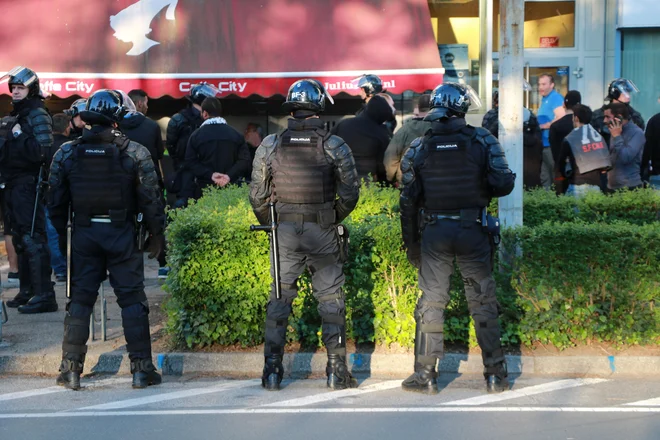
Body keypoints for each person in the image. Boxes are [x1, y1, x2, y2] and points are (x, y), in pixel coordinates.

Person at [398, 82, 515, 395]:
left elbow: (408, 201)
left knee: (432, 302)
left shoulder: (419, 147)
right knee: (482, 302)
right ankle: (494, 375)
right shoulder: (482, 139)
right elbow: (503, 183)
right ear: (462, 109)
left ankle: (425, 374)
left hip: (435, 233)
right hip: (473, 230)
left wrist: (412, 244)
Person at [48, 89, 166, 390]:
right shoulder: (134, 152)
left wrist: (64, 239)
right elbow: (152, 199)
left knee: (79, 300)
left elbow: (56, 204)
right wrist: (156, 236)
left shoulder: (67, 152)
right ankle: (141, 370)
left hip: (84, 234)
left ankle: (71, 369)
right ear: (117, 118)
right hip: (122, 235)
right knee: (132, 301)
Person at [250, 79, 360, 391]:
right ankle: (336, 372)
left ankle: (272, 372)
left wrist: (274, 223)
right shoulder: (334, 145)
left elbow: (257, 195)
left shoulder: (270, 144)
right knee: (331, 299)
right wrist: (330, 217)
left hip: (284, 232)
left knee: (280, 299)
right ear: (320, 106)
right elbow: (351, 192)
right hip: (323, 231)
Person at [0, 66, 58, 313]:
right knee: (21, 239)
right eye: (13, 87)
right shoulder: (18, 115)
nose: (15, 91)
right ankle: (27, 290)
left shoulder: (37, 113)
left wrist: (18, 136)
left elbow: (43, 153)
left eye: (20, 87)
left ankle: (45, 294)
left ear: (31, 88)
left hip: (29, 185)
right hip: (12, 185)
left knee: (33, 238)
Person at [185, 97, 250, 197]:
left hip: (204, 191)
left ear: (205, 113)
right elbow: (245, 160)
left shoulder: (195, 136)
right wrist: (229, 176)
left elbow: (190, 162)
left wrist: (210, 175)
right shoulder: (236, 135)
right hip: (231, 190)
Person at [166, 83, 219, 207]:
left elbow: (171, 147)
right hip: (197, 173)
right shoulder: (208, 121)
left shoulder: (177, 119)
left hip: (187, 171)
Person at [331, 94, 392, 182]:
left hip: (341, 174)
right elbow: (382, 164)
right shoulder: (381, 133)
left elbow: (329, 147)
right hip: (368, 178)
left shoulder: (343, 124)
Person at [557, 104, 610, 197]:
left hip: (577, 185)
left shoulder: (570, 138)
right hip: (597, 185)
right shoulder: (598, 136)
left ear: (576, 118)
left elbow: (561, 163)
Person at [384, 93, 433, 184]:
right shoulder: (441, 128)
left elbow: (390, 157)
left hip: (407, 181)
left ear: (418, 107)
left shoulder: (404, 129)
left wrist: (391, 178)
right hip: (434, 181)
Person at [604, 102, 645, 192]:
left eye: (607, 117)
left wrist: (617, 137)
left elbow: (625, 157)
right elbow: (614, 155)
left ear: (619, 117)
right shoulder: (614, 130)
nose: (604, 121)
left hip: (630, 187)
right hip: (611, 186)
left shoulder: (637, 133)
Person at [550, 91, 582, 194]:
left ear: (564, 104)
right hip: (580, 169)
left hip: (560, 170)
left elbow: (554, 151)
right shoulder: (584, 125)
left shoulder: (555, 126)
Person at [536, 74, 565, 190]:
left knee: (554, 175)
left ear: (552, 85)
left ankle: (559, 202)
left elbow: (561, 117)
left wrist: (545, 126)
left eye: (544, 84)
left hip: (551, 145)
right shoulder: (545, 99)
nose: (540, 87)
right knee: (544, 177)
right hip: (543, 144)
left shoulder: (555, 98)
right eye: (539, 84)